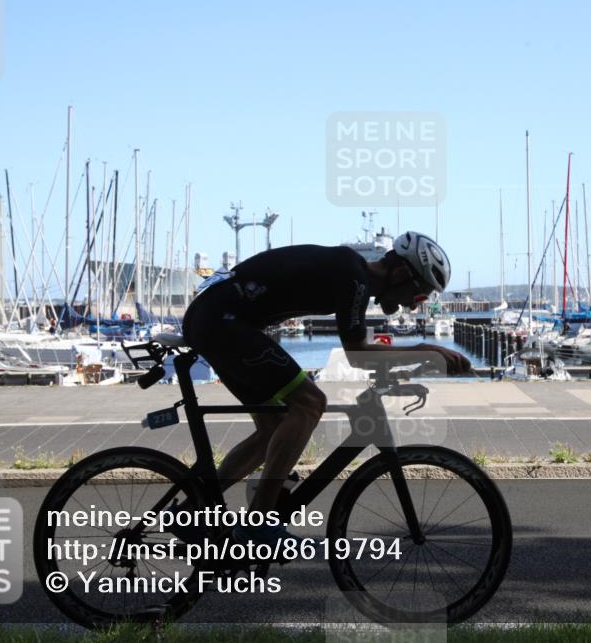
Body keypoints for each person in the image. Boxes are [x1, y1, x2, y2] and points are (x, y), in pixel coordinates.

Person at [182, 232, 471, 545]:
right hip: (222, 322)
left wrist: (419, 356)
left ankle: (192, 510)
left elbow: (360, 351)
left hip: (217, 321)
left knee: (273, 429)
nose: (415, 307)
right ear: (401, 274)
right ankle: (258, 523)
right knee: (310, 403)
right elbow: (358, 355)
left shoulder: (353, 273)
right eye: (419, 296)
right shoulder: (353, 276)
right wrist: (425, 350)